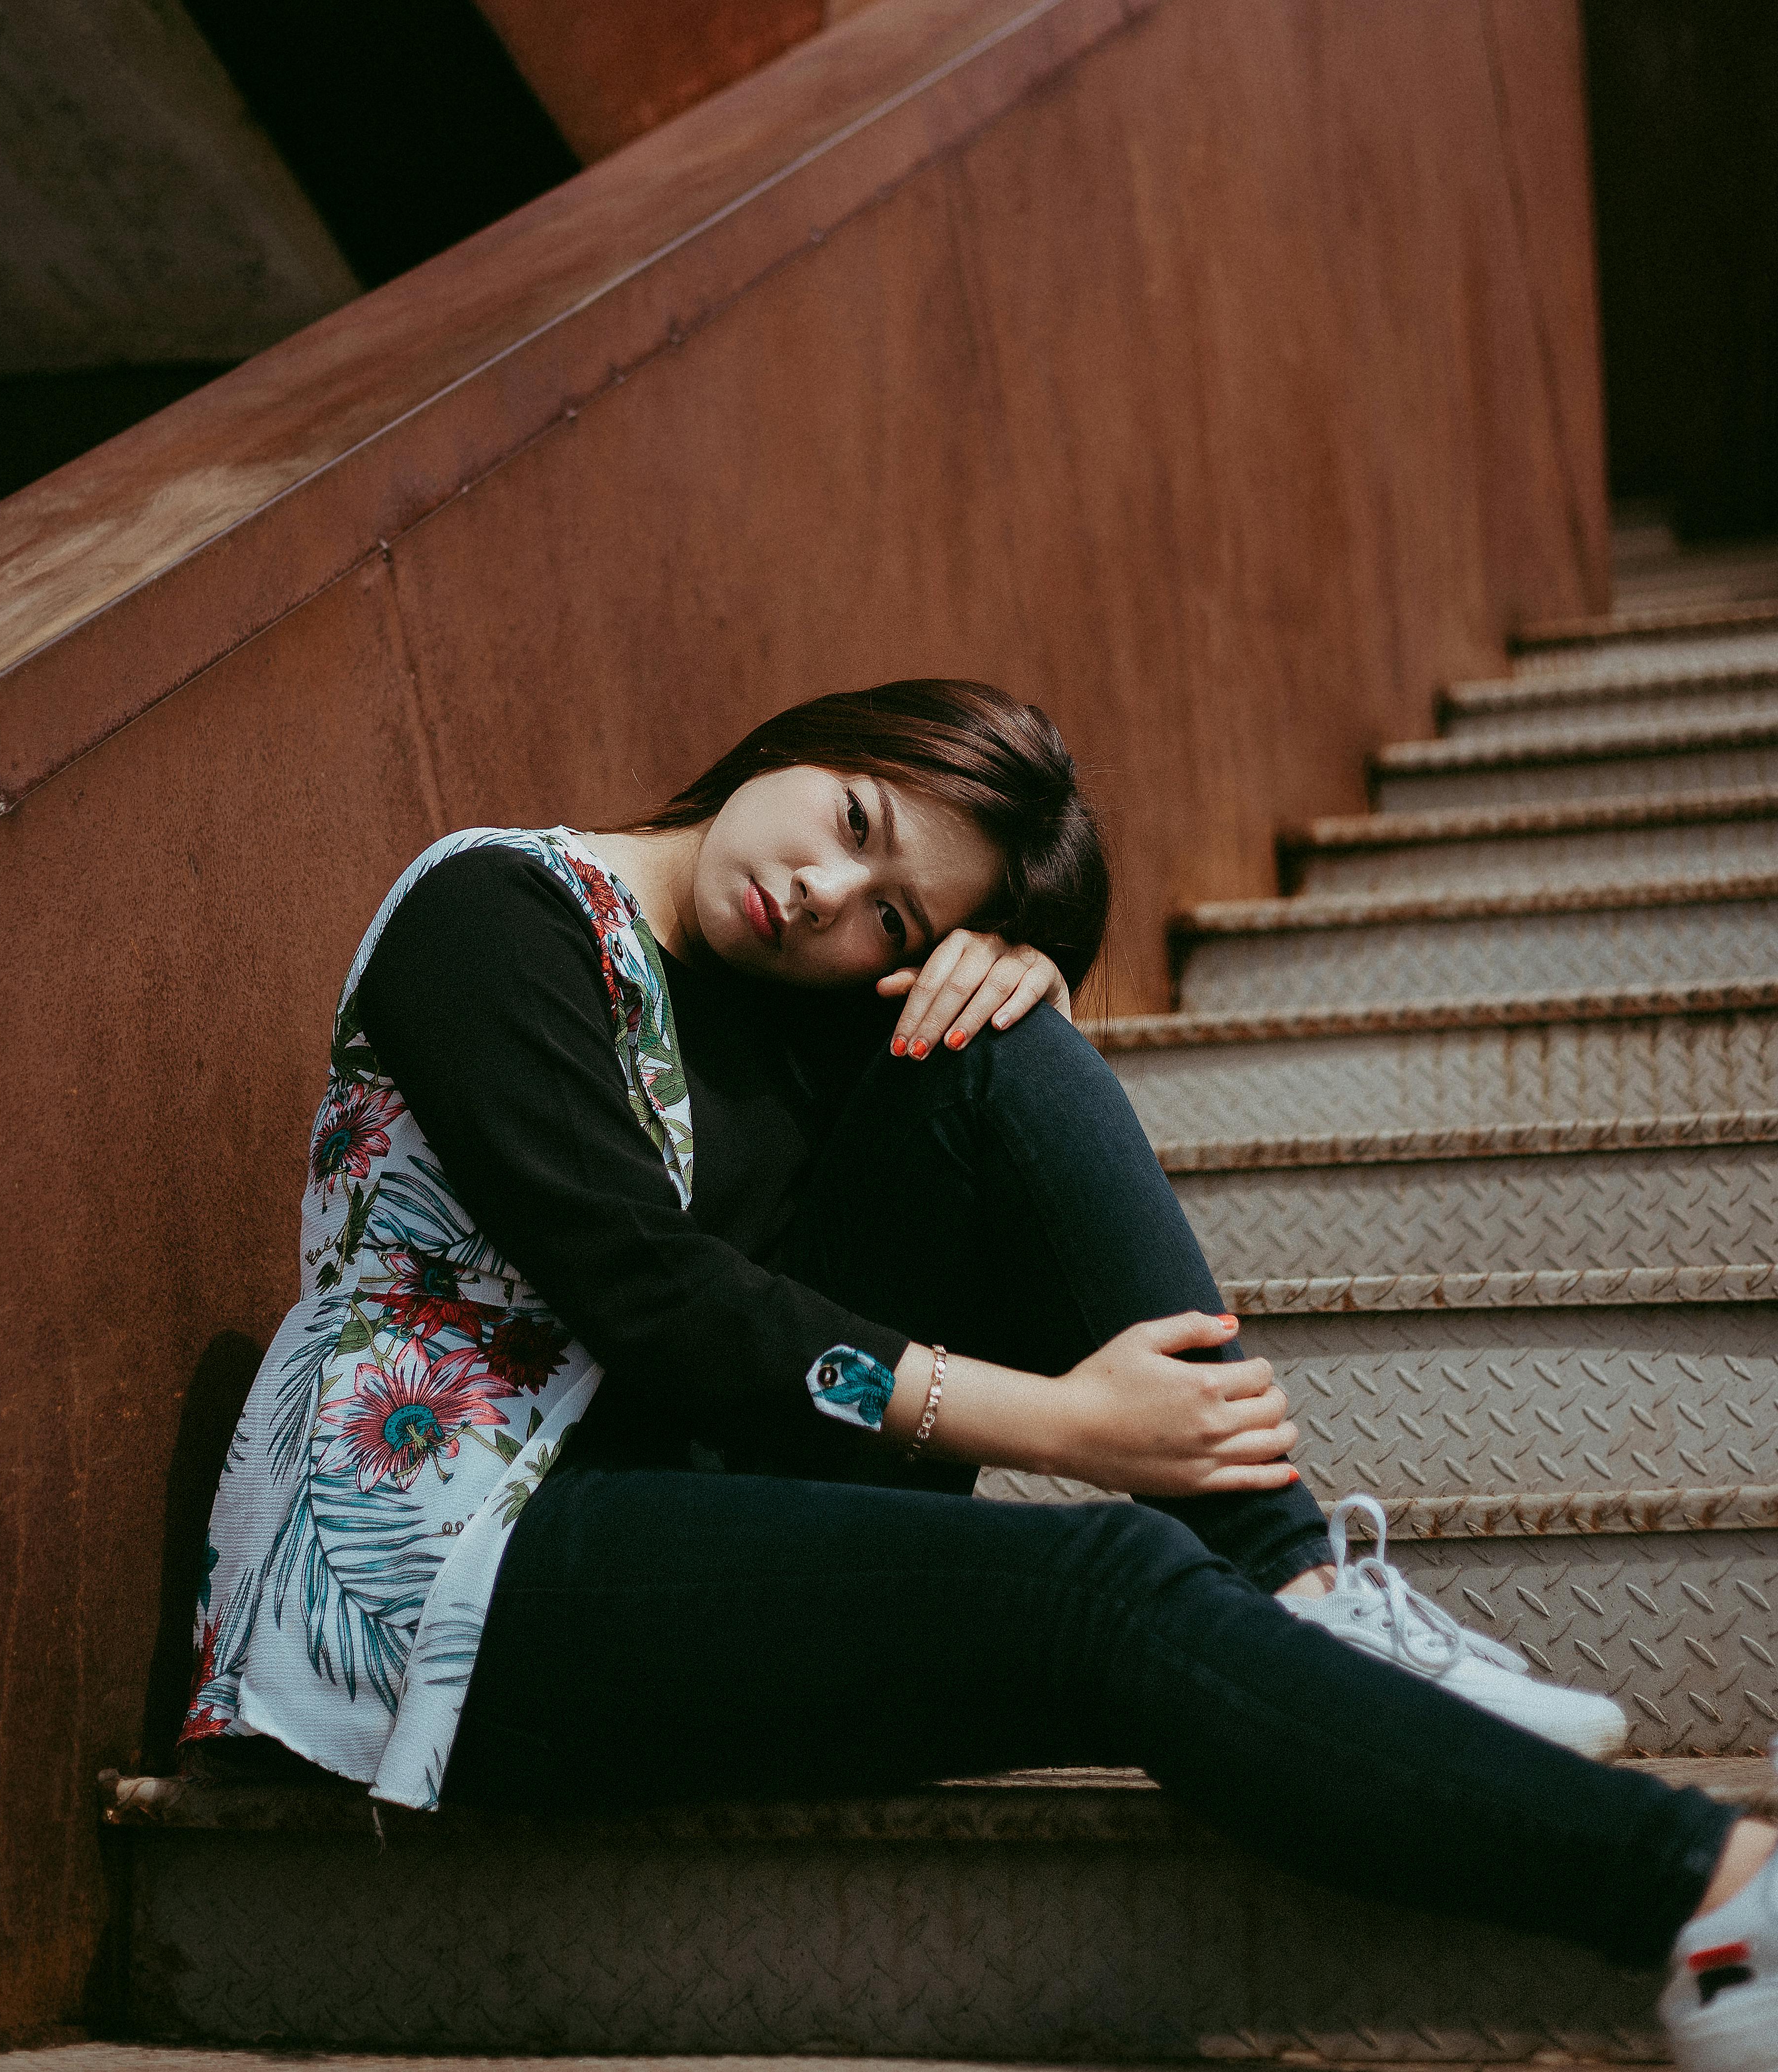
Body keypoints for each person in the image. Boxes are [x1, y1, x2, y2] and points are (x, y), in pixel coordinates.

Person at [178, 679, 1777, 2072]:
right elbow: (653, 1295)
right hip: (447, 1574)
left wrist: (1012, 986)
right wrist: (1066, 1427)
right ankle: (1707, 1896)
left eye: (891, 914)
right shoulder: (493, 909)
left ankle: (1297, 1584)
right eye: (853, 818)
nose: (822, 892)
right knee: (1103, 1581)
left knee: (996, 1043)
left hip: (660, 1483)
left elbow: (868, 1224)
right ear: (805, 739)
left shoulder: (788, 1003)